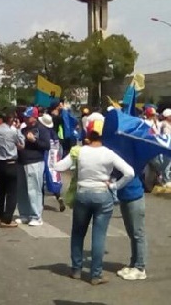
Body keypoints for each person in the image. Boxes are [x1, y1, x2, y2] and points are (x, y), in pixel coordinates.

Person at [55, 119, 134, 285]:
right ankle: (95, 275)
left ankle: (76, 269)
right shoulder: (109, 153)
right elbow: (130, 172)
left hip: (83, 194)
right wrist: (114, 185)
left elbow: (59, 167)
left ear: (88, 133)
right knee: (99, 236)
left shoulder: (80, 151)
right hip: (102, 195)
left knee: (78, 233)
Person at [16, 109, 50, 227]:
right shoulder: (23, 130)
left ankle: (36, 216)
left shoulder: (42, 130)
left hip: (35, 161)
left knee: (34, 189)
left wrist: (34, 140)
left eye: (28, 117)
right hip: (22, 161)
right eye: (24, 116)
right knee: (22, 189)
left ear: (34, 117)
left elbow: (46, 146)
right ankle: (24, 214)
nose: (25, 118)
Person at [0, 111, 24, 228]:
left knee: (0, 191)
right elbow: (21, 145)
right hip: (11, 162)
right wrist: (18, 129)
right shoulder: (13, 131)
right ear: (11, 119)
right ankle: (7, 219)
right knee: (12, 192)